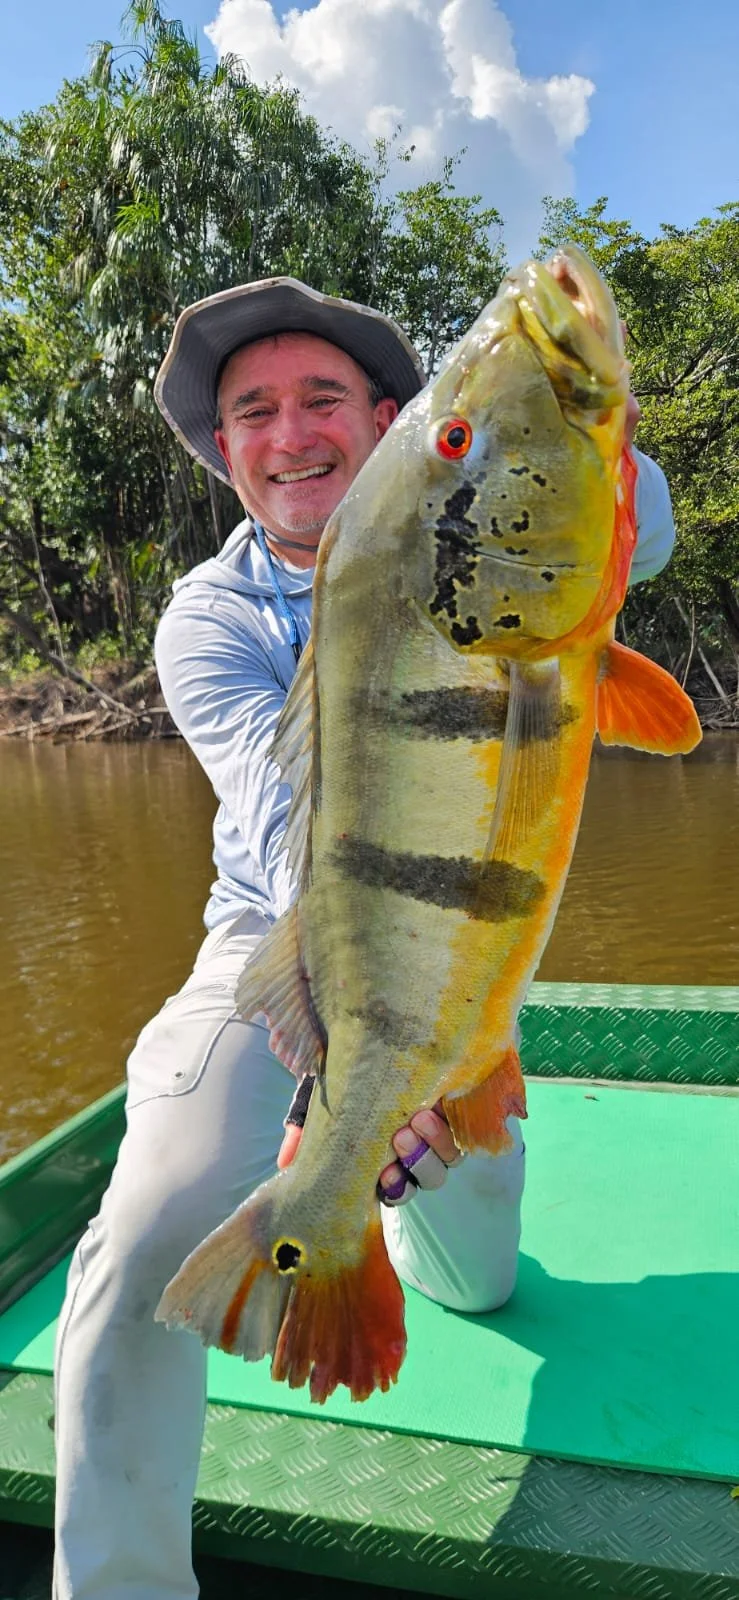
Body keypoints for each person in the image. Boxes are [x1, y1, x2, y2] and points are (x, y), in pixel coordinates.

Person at [52, 277, 676, 1600]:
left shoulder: (516, 544)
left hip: (462, 956)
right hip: (271, 953)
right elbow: (287, 821)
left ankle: (399, 1220)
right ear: (226, 453)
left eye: (321, 399)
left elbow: (639, 516)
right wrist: (348, 1075)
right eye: (252, 413)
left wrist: (563, 397)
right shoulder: (205, 617)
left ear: (389, 422)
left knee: (479, 1283)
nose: (288, 435)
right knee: (149, 1226)